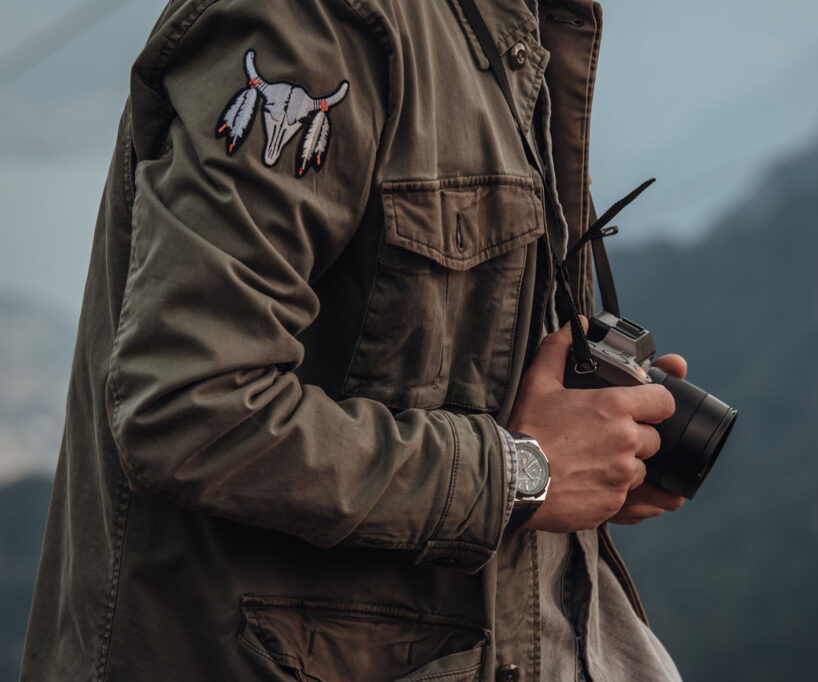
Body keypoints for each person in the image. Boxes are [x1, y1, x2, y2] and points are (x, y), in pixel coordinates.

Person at [21, 0, 690, 679]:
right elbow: (189, 405)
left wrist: (592, 451)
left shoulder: (509, 22)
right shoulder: (310, 21)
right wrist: (522, 472)